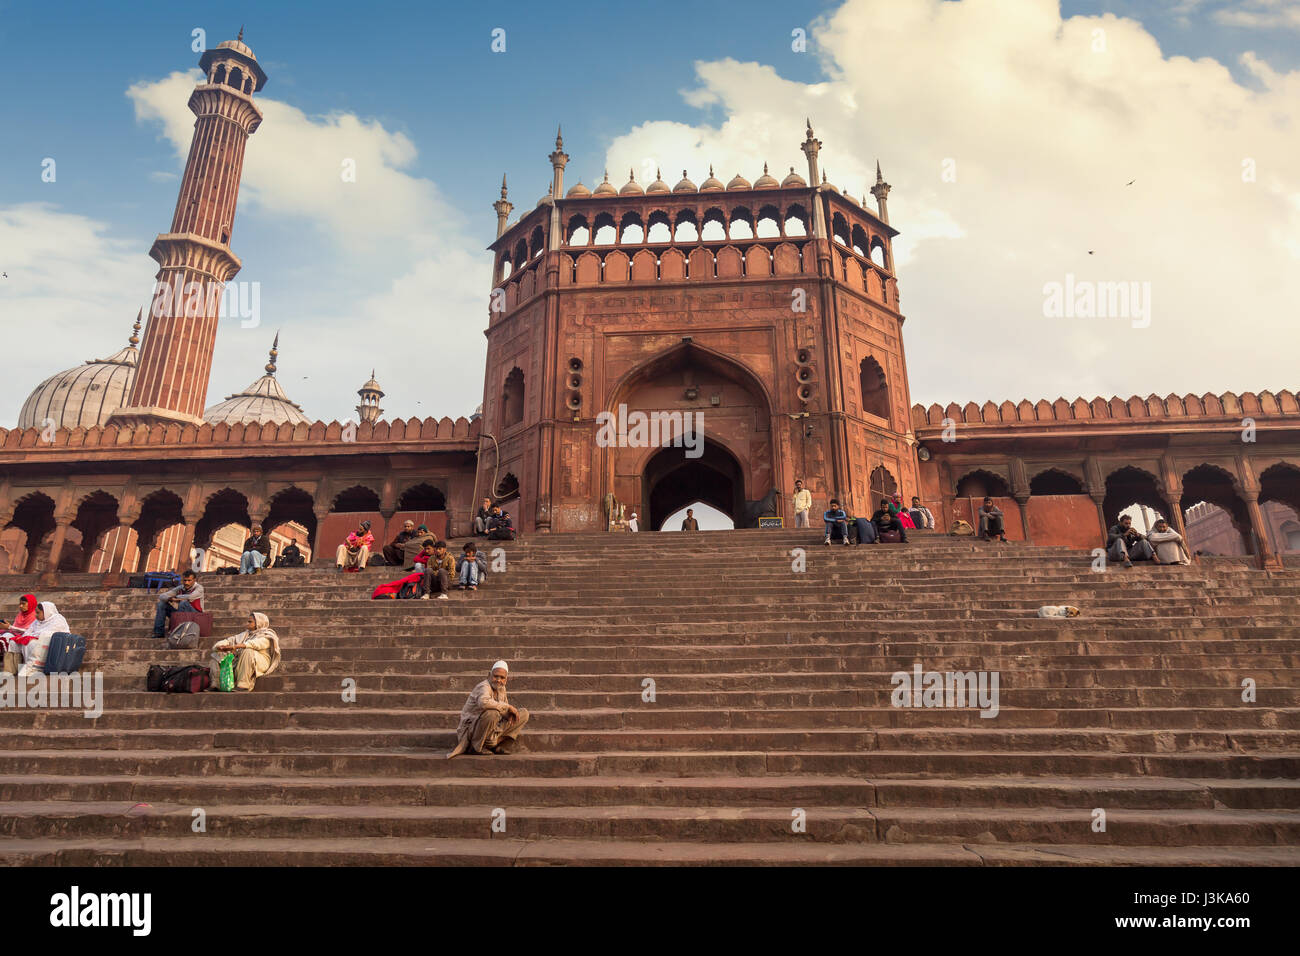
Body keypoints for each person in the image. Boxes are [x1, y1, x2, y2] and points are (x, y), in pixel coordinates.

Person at [446, 660, 530, 758]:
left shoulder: (501, 688)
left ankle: (495, 744)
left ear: (506, 680)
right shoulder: (483, 686)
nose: (498, 680)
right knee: (492, 713)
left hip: (492, 730)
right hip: (472, 731)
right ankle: (476, 747)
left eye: (502, 678)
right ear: (489, 675)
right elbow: (484, 703)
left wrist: (509, 714)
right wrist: (508, 707)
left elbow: (503, 710)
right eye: (496, 676)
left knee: (523, 714)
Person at [208, 612, 281, 691]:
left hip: (260, 662)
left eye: (250, 622)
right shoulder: (245, 634)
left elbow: (255, 644)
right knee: (216, 655)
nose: (247, 624)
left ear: (259, 623)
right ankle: (216, 684)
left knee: (248, 651)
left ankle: (243, 685)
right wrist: (220, 646)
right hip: (242, 661)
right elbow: (229, 640)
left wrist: (235, 646)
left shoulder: (268, 635)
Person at [16, 601, 70, 677]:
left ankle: (36, 668)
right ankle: (26, 667)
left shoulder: (58, 619)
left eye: (38, 613)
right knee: (21, 642)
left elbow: (49, 633)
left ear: (46, 612)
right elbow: (28, 632)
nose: (36, 615)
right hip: (41, 641)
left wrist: (34, 636)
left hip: (54, 646)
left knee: (32, 642)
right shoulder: (37, 621)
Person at [151, 570, 204, 639]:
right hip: (181, 612)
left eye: (189, 580)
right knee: (162, 604)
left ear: (194, 580)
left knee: (183, 603)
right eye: (184, 580)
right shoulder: (180, 588)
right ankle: (159, 632)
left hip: (196, 615)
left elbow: (190, 597)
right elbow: (162, 596)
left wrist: (176, 598)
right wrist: (170, 598)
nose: (186, 583)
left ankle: (178, 631)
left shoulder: (199, 588)